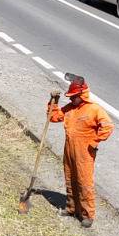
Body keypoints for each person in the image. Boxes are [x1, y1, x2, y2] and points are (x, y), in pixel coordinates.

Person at [48, 77, 113, 228]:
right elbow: (54, 117)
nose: (72, 99)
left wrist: (95, 141)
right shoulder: (70, 108)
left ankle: (87, 215)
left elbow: (108, 126)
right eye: (70, 97)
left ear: (82, 94)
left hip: (85, 152)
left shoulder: (94, 109)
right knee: (70, 178)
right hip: (69, 149)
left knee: (84, 182)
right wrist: (54, 102)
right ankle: (72, 208)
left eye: (74, 97)